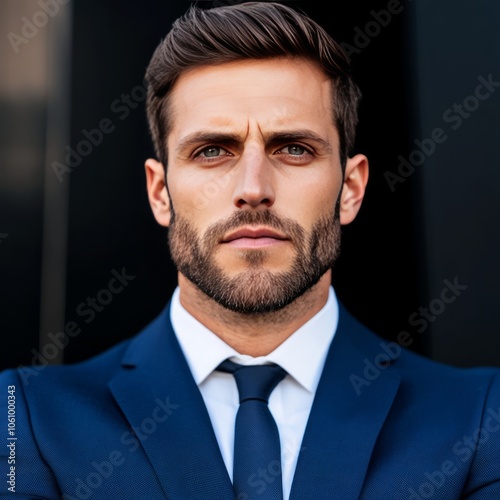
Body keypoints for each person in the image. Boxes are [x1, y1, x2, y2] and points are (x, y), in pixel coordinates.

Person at [1, 2, 500, 499]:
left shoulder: (480, 418)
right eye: (212, 150)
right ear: (160, 193)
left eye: (294, 149)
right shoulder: (26, 417)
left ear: (350, 189)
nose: (253, 188)